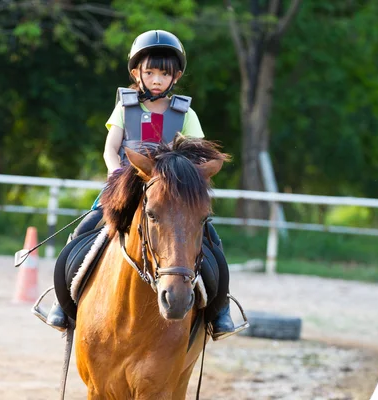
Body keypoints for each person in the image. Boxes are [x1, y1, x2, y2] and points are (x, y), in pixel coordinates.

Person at [42, 30, 246, 340]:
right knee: (84, 231)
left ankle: (219, 313)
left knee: (212, 244)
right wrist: (114, 173)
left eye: (163, 73)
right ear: (136, 73)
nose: (156, 79)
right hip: (127, 183)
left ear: (175, 76)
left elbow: (196, 153)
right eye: (149, 72)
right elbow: (111, 148)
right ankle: (63, 304)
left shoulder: (185, 113)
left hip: (169, 191)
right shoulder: (125, 108)